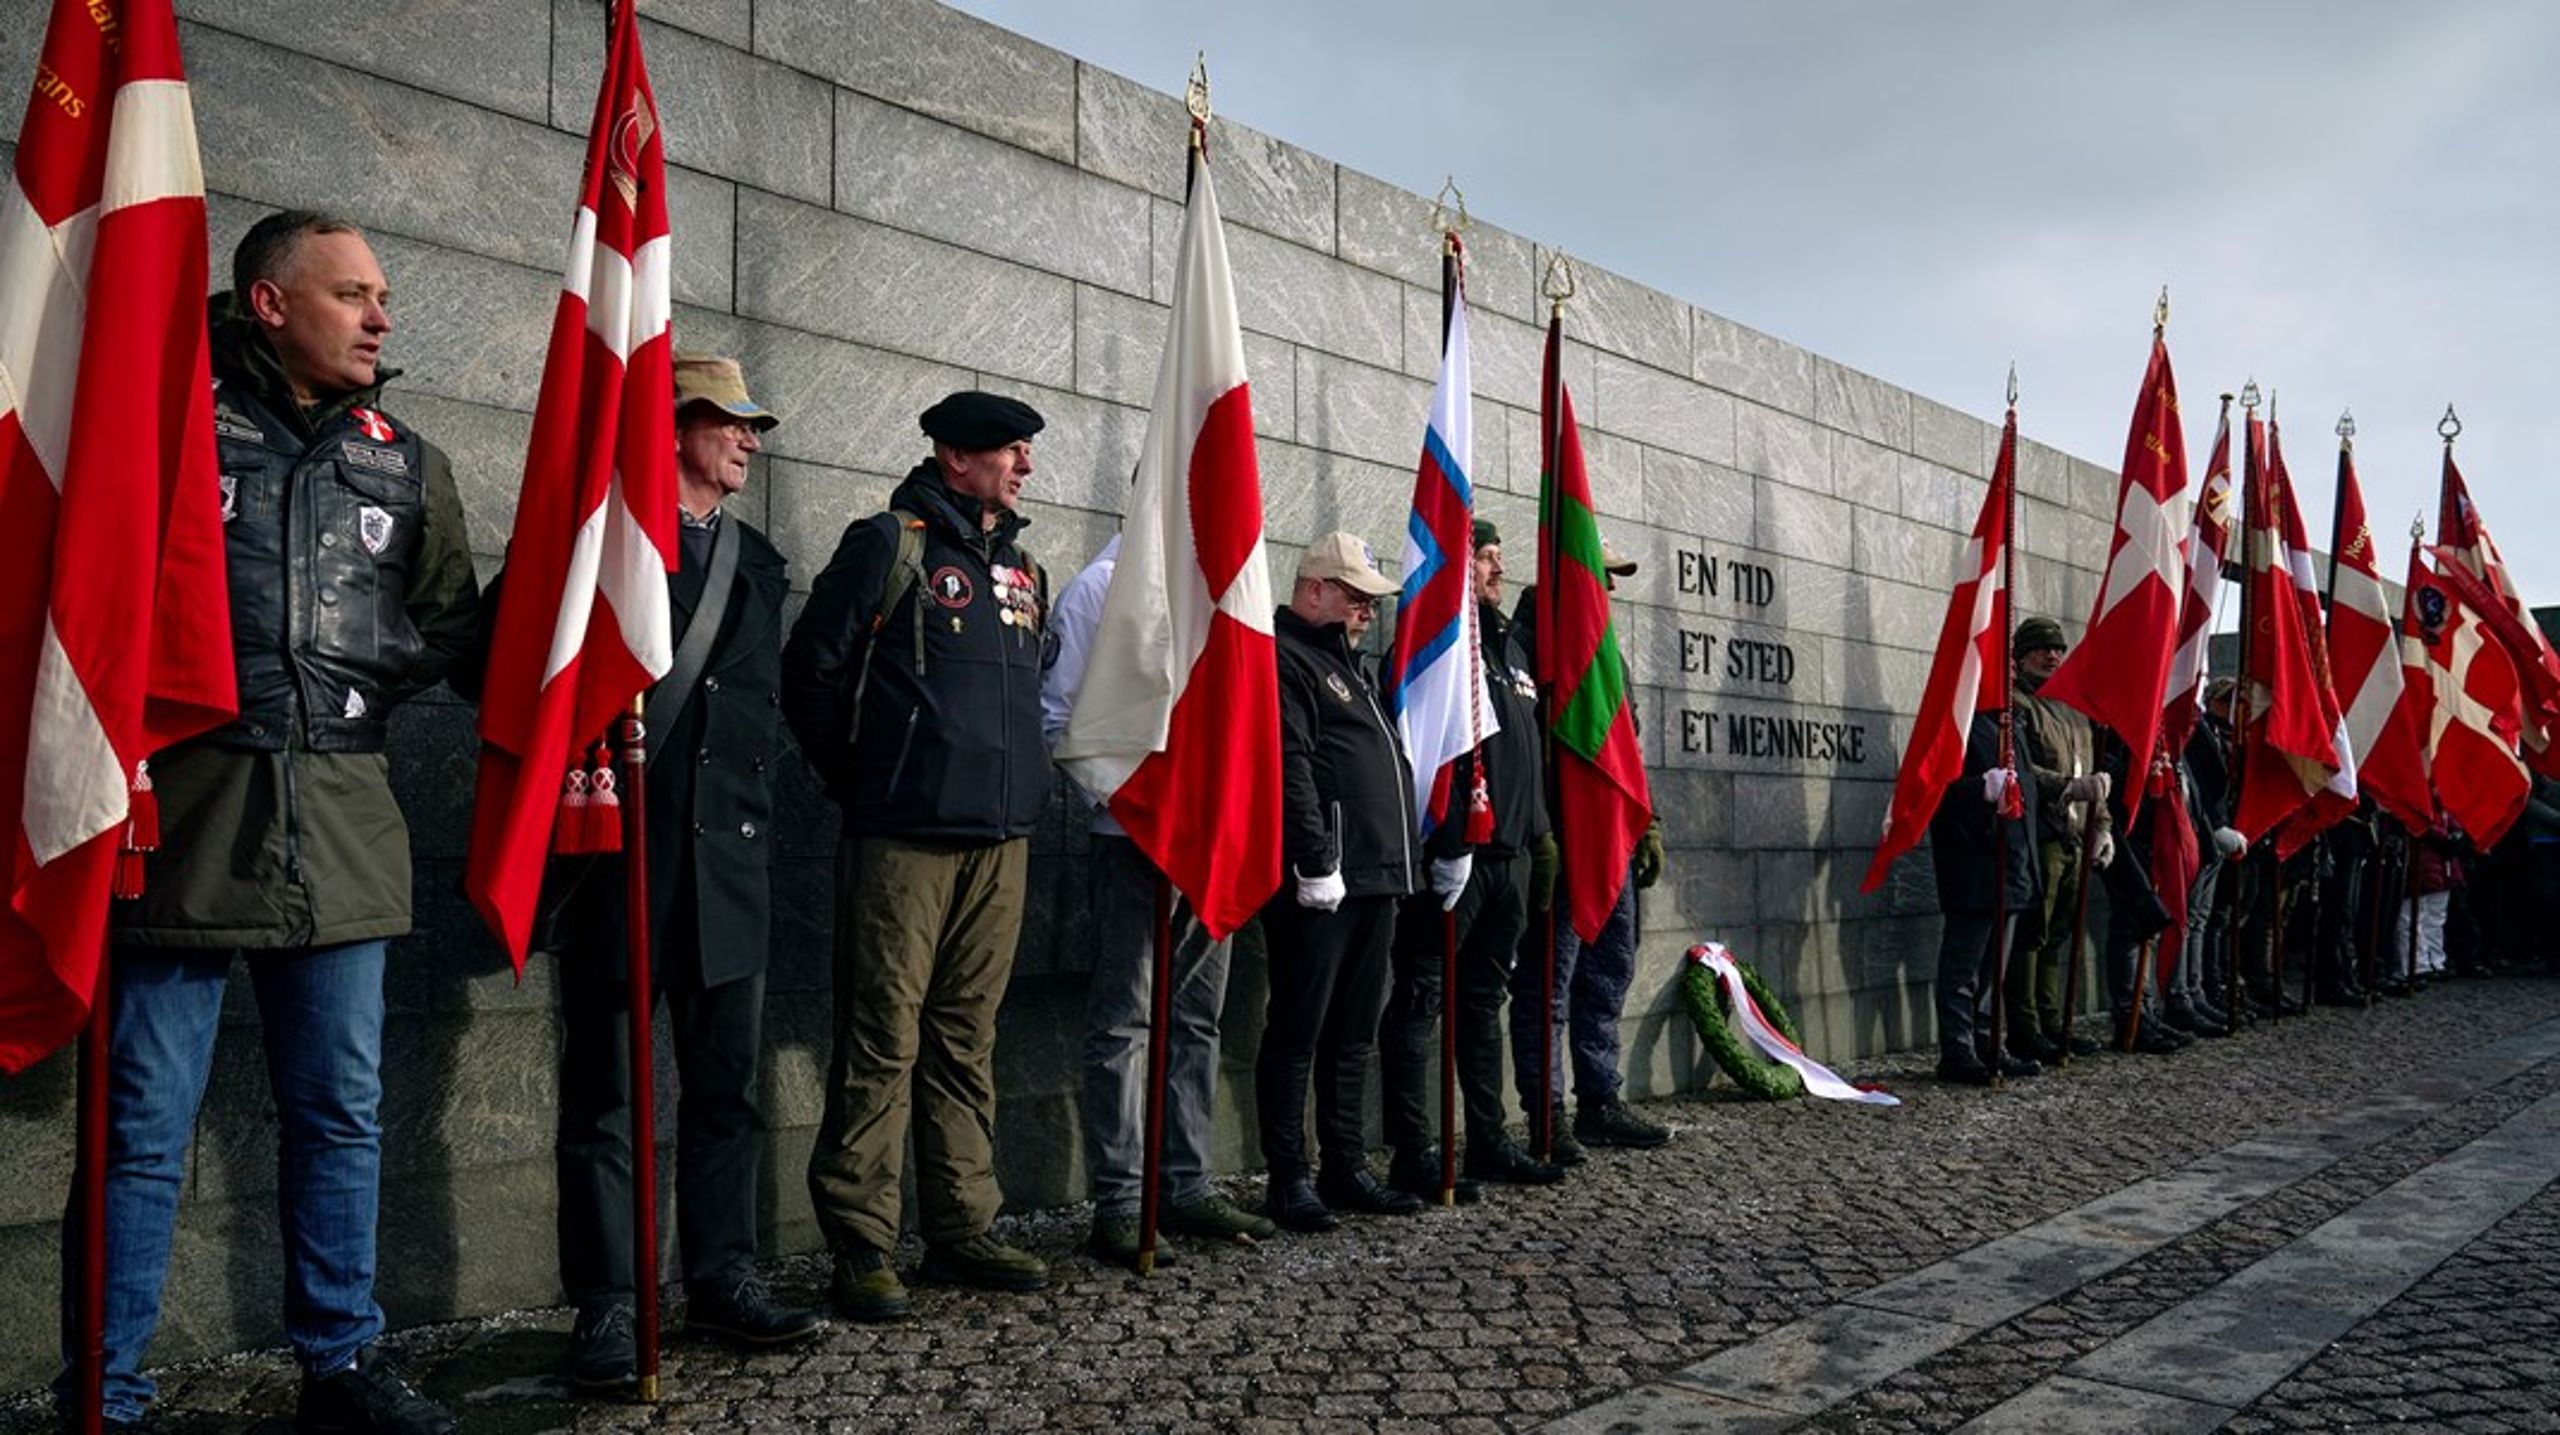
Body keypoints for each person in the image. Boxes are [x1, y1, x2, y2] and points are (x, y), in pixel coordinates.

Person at [63, 212, 478, 1433]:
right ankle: (107, 1389)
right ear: (268, 302)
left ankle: (339, 1366)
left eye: (382, 294)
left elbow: (442, 622)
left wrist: (349, 684)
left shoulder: (406, 459)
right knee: (142, 1121)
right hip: (183, 811)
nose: (380, 317)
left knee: (341, 1108)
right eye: (352, 294)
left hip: (343, 810)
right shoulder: (161, 423)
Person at [536, 356, 818, 1385]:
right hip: (623, 861)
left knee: (726, 1093)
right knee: (607, 1101)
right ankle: (609, 1305)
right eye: (729, 423)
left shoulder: (759, 561)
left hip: (728, 867)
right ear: (673, 428)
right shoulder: (604, 549)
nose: (749, 440)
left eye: (752, 425)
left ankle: (723, 1277)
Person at [781, 391, 1052, 1319]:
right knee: (881, 1039)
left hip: (1000, 841)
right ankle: (861, 1240)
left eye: (1024, 453)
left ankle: (962, 1222)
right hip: (903, 838)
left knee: (966, 1040)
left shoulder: (1023, 569)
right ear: (953, 455)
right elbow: (810, 672)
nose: (1023, 468)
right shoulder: (888, 545)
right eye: (1009, 452)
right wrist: (863, 780)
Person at [1040, 535, 1278, 1269]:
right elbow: (1058, 717)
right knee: (1127, 1017)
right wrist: (1137, 808)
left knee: (1197, 1017)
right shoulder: (1101, 588)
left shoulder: (1226, 589)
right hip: (1135, 839)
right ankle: (1120, 1198)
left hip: (1210, 842)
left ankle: (1183, 1180)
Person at [1381, 522, 1563, 1203]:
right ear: (1457, 567)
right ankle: (1413, 1149)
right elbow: (1428, 751)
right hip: (1452, 860)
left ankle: (1486, 1138)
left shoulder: (1510, 647)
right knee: (1421, 1001)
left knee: (1483, 1003)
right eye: (1484, 556)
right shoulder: (1437, 645)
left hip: (1509, 860)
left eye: (1496, 556)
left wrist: (1540, 834)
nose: (1496, 567)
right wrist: (1450, 839)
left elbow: (1521, 751)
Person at [1259, 532, 1425, 1231]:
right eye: (1355, 597)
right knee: (1300, 1025)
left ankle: (1345, 1163)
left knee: (1354, 1030)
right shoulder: (1287, 657)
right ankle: (1288, 1176)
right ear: (1315, 589)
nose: (1366, 611)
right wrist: (1315, 857)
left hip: (1376, 875)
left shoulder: (1349, 667)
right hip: (1322, 878)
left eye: (1370, 600)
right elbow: (1290, 762)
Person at [1509, 543, 1670, 1153]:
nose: (1609, 588)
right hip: (1561, 845)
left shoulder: (1608, 654)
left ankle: (1600, 1099)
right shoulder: (1524, 645)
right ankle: (1547, 1113)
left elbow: (1624, 751)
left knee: (1609, 975)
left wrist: (1646, 821)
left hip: (1612, 844)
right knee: (1549, 985)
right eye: (1600, 576)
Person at [2005, 617, 2113, 1063]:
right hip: (2041, 835)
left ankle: (2052, 1024)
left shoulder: (2071, 709)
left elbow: (2091, 776)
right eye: (2041, 649)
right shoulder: (2017, 705)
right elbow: (2026, 771)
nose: (2052, 656)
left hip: (2073, 835)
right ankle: (2026, 1029)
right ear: (2020, 655)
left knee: (2057, 936)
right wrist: (2067, 789)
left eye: (2057, 649)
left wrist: (2102, 825)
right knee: (2034, 934)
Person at [1928, 708, 2040, 1085]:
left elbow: (2027, 787)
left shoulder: (2011, 726)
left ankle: (1989, 1043)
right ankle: (1957, 1050)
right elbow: (1929, 788)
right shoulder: (1959, 719)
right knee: (1964, 969)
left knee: (1994, 970)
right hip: (1973, 866)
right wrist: (1980, 788)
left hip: (2012, 866)